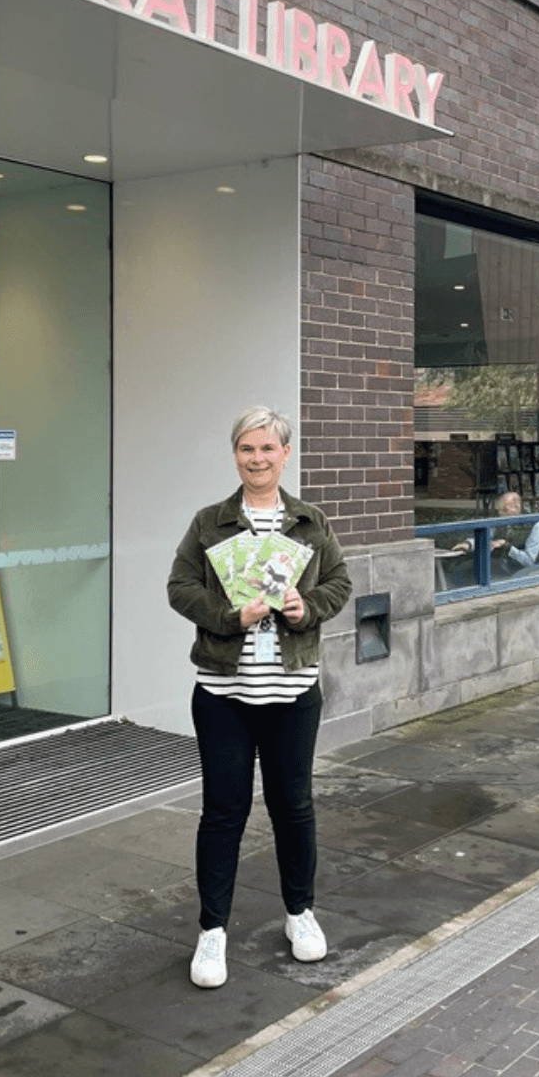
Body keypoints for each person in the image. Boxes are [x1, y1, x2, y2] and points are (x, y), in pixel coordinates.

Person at [167, 407, 353, 989]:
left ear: (285, 453)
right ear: (235, 454)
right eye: (247, 449)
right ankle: (212, 932)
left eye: (268, 448)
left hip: (293, 690)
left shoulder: (310, 522)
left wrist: (307, 608)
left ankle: (300, 914)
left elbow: (339, 583)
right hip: (224, 692)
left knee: (293, 807)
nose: (257, 458)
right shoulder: (209, 523)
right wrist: (228, 615)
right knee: (223, 812)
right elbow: (179, 588)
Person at [451, 489, 539, 579]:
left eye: (504, 509)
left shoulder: (535, 525)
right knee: (460, 569)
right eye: (499, 509)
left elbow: (529, 561)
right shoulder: (500, 519)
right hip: (496, 563)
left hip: (517, 570)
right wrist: (468, 544)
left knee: (472, 573)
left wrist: (507, 546)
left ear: (516, 507)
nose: (500, 512)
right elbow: (485, 536)